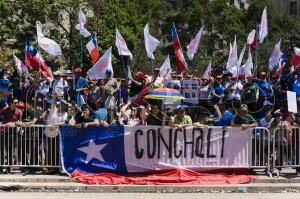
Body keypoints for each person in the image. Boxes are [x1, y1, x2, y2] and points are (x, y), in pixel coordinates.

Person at [0, 97, 22, 173]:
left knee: (10, 150)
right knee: (1, 150)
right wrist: (4, 125)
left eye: (17, 102)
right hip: (3, 132)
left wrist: (17, 124)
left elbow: (20, 123)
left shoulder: (19, 111)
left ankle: (9, 168)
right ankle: (1, 167)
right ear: (11, 103)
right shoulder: (4, 109)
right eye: (15, 103)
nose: (17, 104)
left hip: (12, 133)